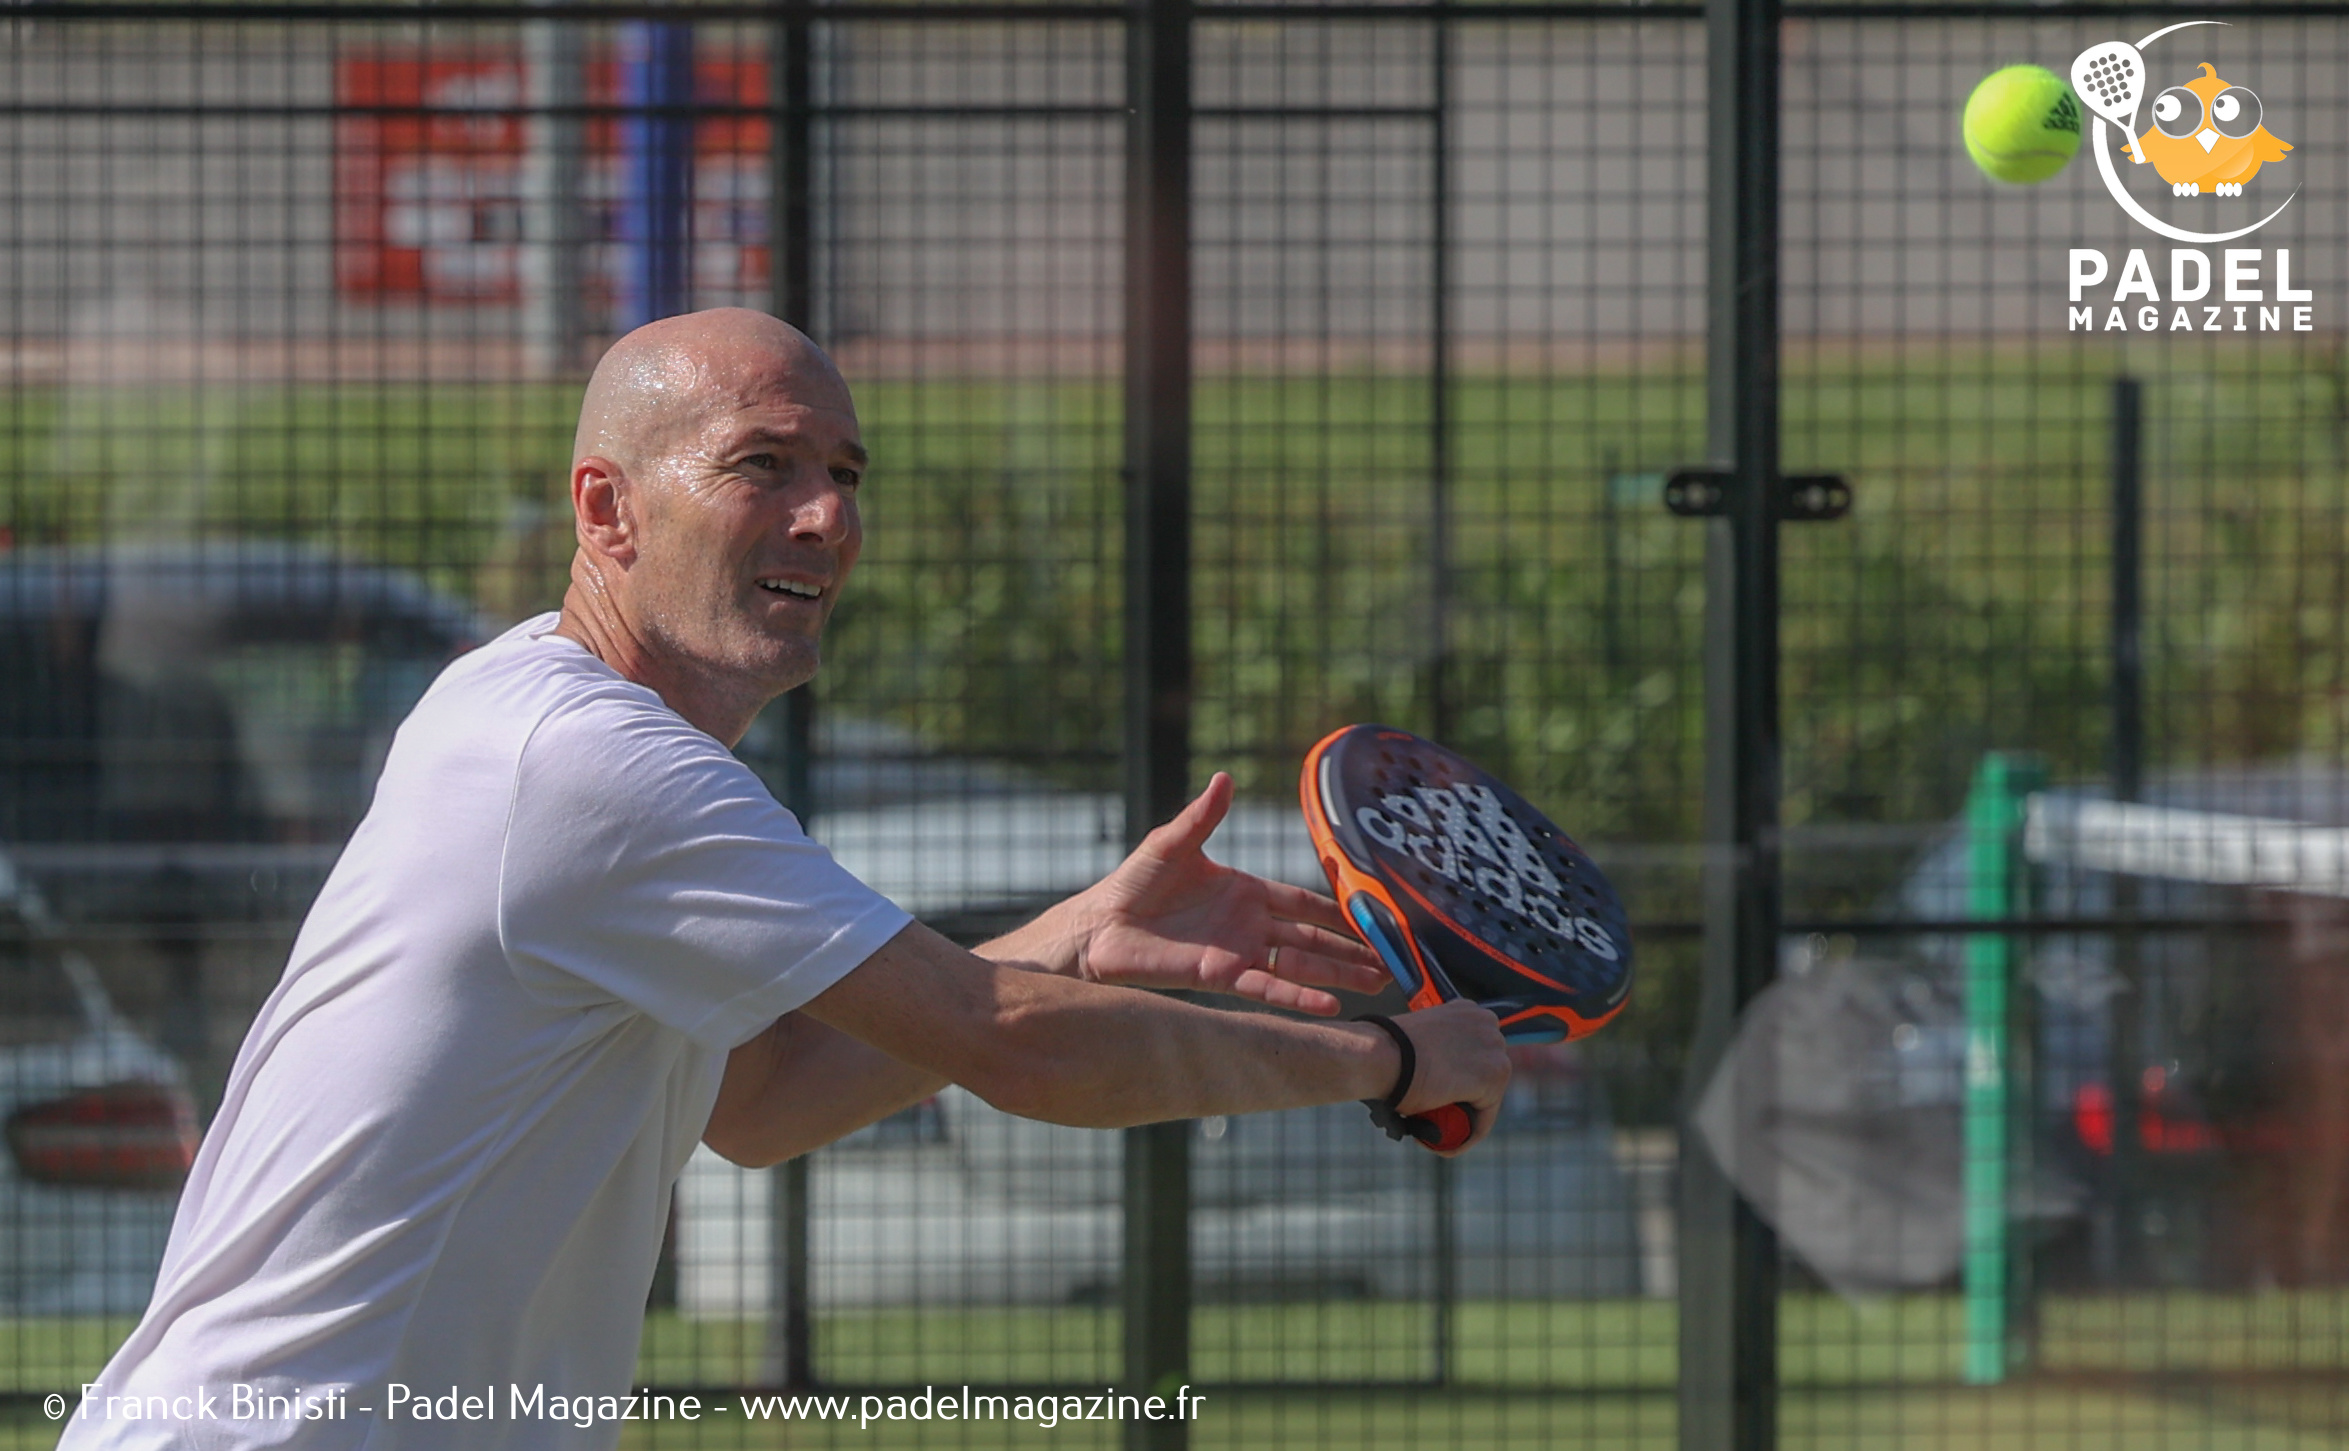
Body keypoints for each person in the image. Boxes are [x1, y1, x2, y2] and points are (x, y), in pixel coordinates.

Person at [62, 308, 1510, 1449]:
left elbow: (759, 1103)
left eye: (845, 475)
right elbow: (1003, 1046)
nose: (827, 515)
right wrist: (1385, 1058)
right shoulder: (584, 760)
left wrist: (1071, 934)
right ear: (608, 511)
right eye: (764, 464)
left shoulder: (528, 716)